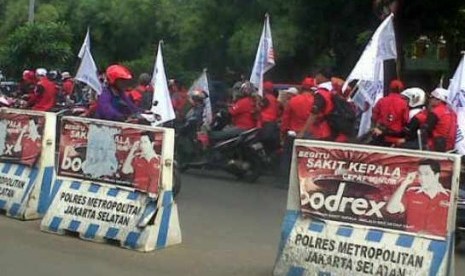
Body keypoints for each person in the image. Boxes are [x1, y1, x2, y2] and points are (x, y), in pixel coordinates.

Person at [386, 159, 450, 237]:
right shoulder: (411, 192)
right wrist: (404, 183)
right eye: (420, 174)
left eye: (426, 174)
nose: (422, 178)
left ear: (436, 175)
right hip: (411, 240)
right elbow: (391, 209)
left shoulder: (450, 196)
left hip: (440, 243)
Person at [371, 80, 409, 146]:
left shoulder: (381, 101)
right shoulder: (404, 103)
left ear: (390, 89)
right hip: (396, 138)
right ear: (401, 90)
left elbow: (374, 117)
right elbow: (405, 120)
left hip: (381, 136)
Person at [424, 88, 457, 152]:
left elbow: (426, 129)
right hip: (450, 147)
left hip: (435, 146)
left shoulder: (436, 112)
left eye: (432, 97)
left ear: (438, 100)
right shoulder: (452, 112)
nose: (430, 100)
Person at [258, 81, 280, 153]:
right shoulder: (274, 99)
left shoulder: (266, 98)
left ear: (264, 89)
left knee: (264, 142)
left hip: (265, 124)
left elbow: (259, 108)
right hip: (273, 123)